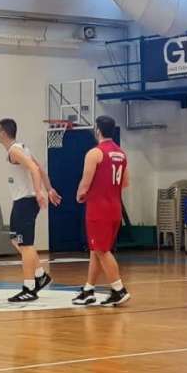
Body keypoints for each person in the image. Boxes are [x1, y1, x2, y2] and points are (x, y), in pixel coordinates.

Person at [0, 119, 61, 302]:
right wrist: (49, 189)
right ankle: (40, 275)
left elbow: (33, 168)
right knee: (15, 240)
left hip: (26, 201)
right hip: (23, 201)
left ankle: (29, 288)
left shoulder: (14, 151)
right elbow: (40, 169)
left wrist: (39, 192)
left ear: (3, 133)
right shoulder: (22, 148)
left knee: (25, 245)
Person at [72, 115, 131, 307]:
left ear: (97, 130)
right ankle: (89, 290)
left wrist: (80, 195)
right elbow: (125, 183)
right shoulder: (121, 153)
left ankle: (119, 289)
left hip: (98, 209)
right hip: (115, 207)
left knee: (102, 250)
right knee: (96, 250)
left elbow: (86, 181)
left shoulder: (95, 153)